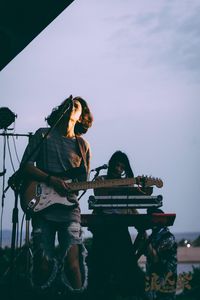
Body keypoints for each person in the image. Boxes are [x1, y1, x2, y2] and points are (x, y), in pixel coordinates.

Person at [19, 95, 93, 295]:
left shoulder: (83, 146)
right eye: (68, 104)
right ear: (60, 110)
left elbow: (81, 183)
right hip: (43, 206)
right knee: (42, 265)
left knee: (73, 265)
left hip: (69, 208)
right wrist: (51, 180)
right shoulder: (43, 135)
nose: (71, 107)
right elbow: (25, 167)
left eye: (76, 106)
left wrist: (71, 187)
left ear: (80, 116)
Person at [88, 151, 145, 299]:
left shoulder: (128, 183)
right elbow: (99, 193)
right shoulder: (101, 179)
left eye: (122, 166)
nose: (118, 169)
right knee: (99, 269)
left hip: (120, 227)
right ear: (111, 164)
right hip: (103, 227)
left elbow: (134, 202)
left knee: (126, 269)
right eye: (116, 165)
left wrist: (134, 185)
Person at [144, 208, 177, 300]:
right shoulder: (153, 237)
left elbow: (155, 258)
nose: (151, 221)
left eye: (154, 218)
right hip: (152, 287)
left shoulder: (169, 238)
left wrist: (143, 234)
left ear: (162, 220)